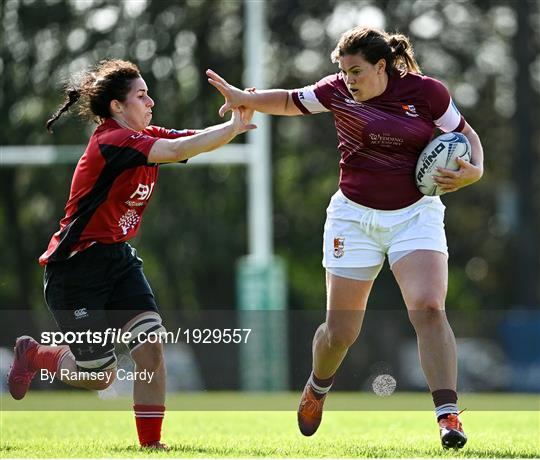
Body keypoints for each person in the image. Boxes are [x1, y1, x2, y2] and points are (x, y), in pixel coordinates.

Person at [207, 26, 483, 449]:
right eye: (343, 71)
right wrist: (245, 98)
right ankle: (317, 388)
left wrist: (475, 171)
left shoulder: (428, 93)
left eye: (356, 71)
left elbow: (466, 136)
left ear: (381, 66)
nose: (348, 79)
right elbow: (289, 100)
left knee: (428, 307)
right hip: (352, 219)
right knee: (340, 334)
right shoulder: (336, 91)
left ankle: (448, 417)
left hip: (415, 215)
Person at [8, 59, 255, 450]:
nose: (151, 102)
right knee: (100, 375)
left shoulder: (141, 135)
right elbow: (177, 148)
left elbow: (188, 138)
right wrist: (232, 128)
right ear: (117, 107)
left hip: (118, 260)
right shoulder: (113, 140)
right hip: (76, 270)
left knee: (152, 349)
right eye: (141, 95)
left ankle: (151, 447)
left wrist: (234, 125)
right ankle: (37, 355)